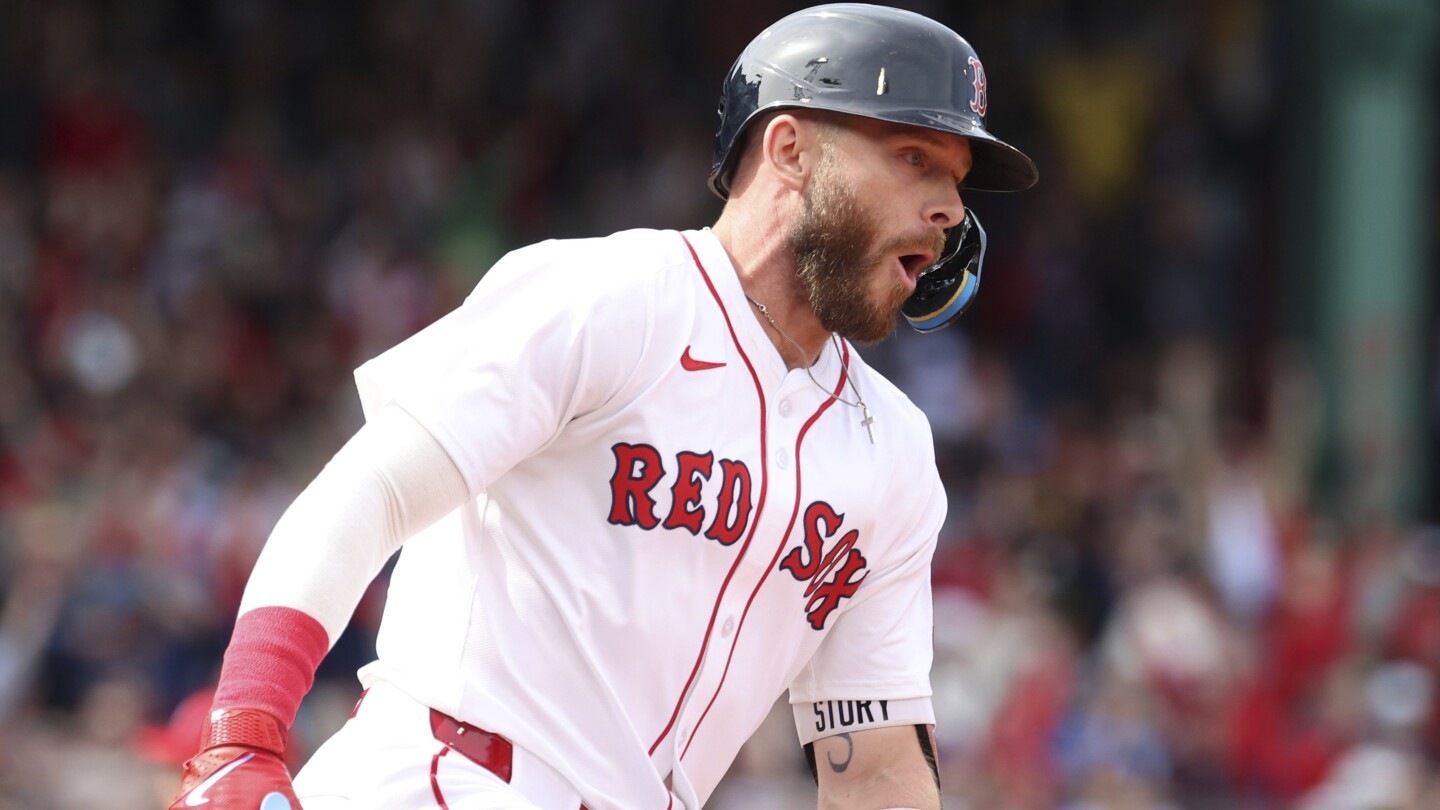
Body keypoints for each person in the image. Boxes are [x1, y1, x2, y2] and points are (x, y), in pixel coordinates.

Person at [168, 4, 1037, 809]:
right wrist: (243, 733)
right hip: (453, 778)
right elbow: (364, 495)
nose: (950, 209)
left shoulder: (891, 450)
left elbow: (878, 765)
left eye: (957, 178)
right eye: (915, 157)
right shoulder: (614, 297)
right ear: (788, 149)